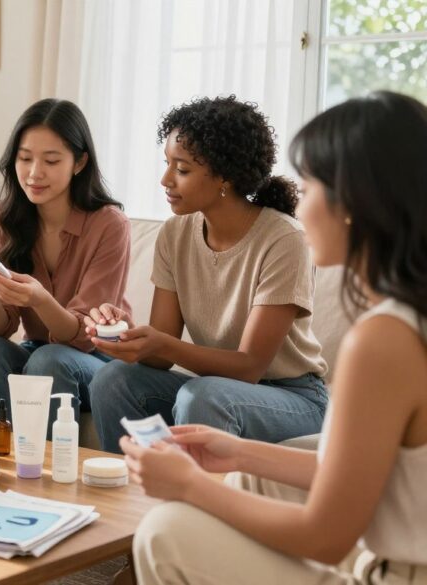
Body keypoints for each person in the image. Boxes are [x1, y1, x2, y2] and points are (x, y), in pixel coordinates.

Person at [126, 90, 427, 585]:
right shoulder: (408, 318)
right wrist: (237, 450)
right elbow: (357, 476)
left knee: (166, 529)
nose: (299, 208)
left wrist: (191, 485)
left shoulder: (383, 342)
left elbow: (327, 534)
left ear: (354, 204)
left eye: (309, 189)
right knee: (248, 478)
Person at [86, 96, 329, 453]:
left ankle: (194, 506)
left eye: (182, 170)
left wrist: (160, 342)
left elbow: (249, 367)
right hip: (214, 386)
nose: (165, 179)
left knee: (202, 396)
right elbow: (160, 355)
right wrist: (127, 335)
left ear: (225, 177)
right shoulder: (175, 234)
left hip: (292, 396)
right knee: (113, 380)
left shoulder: (283, 239)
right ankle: (131, 496)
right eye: (167, 164)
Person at [0, 98, 131, 429]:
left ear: (79, 163)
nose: (34, 173)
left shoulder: (109, 224)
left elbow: (85, 335)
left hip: (99, 357)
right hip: (38, 349)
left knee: (50, 360)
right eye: (25, 159)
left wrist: (41, 299)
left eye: (51, 161)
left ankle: (44, 474)